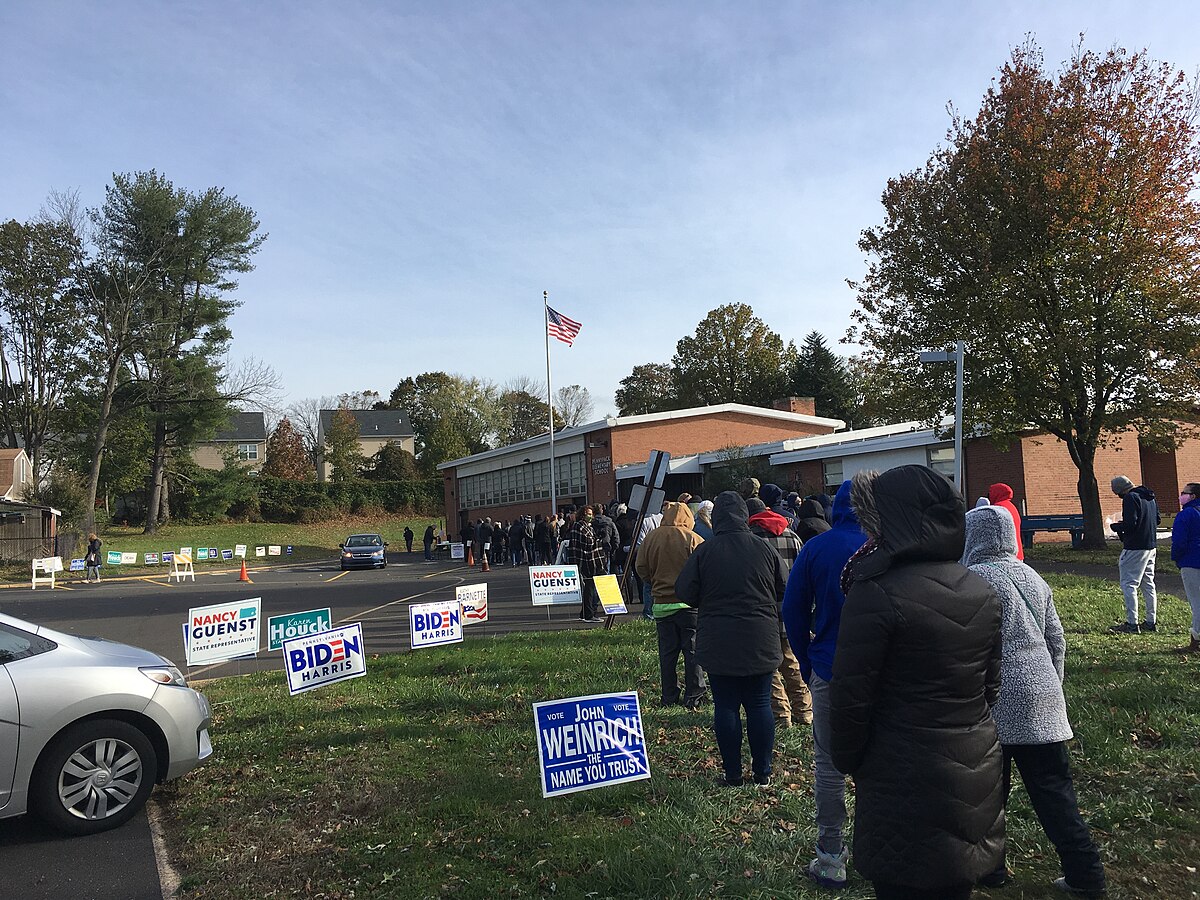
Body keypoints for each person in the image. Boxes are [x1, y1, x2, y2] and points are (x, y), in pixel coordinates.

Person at [831, 466, 1003, 900]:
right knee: (956, 883)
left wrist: (850, 760)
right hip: (974, 761)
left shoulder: (876, 592)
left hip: (900, 770)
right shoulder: (981, 589)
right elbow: (990, 686)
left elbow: (851, 696)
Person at [964, 505, 1107, 897]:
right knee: (1056, 795)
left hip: (993, 704)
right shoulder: (1033, 578)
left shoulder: (971, 581)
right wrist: (1052, 689)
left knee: (989, 796)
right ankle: (1086, 874)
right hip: (1044, 701)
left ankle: (991, 868)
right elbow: (1056, 639)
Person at [781, 480, 866, 889]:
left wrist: (804, 658)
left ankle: (831, 858)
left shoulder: (817, 547)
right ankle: (874, 847)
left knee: (830, 766)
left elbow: (793, 611)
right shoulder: (889, 544)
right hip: (882, 674)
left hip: (830, 667)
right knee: (879, 763)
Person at [675, 491, 788, 787]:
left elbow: (684, 592)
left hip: (718, 638)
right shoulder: (764, 548)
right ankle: (763, 772)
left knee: (726, 706)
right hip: (761, 637)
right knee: (760, 703)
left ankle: (733, 773)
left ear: (718, 519)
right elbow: (784, 587)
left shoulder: (705, 551)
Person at [748, 486, 812, 729]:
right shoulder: (792, 536)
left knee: (770, 668)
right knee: (792, 661)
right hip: (790, 610)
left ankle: (782, 716)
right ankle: (805, 711)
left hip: (762, 612)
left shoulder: (752, 540)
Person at [636, 502, 707, 708]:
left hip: (661, 605)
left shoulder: (651, 538)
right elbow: (703, 568)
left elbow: (641, 567)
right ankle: (694, 695)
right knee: (693, 652)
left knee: (667, 654)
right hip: (689, 606)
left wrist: (654, 582)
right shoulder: (693, 539)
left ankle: (669, 696)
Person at [1110, 475, 1160, 634]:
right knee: (1148, 584)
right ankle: (1151, 622)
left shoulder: (1130, 498)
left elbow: (1130, 524)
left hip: (1135, 547)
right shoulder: (1149, 496)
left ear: (1120, 491)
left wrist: (1117, 527)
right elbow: (1157, 520)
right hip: (1151, 546)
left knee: (1129, 584)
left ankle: (1132, 623)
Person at [1171, 482, 1200, 653]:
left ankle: (1196, 640)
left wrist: (1176, 558)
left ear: (1193, 496)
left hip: (1191, 562)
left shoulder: (1185, 515)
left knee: (1196, 602)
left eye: (1184, 492)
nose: (1181, 495)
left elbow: (1179, 542)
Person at [567, 506, 605, 622]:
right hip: (586, 561)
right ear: (583, 514)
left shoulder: (589, 527)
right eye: (589, 514)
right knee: (589, 588)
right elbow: (587, 542)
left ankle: (584, 613)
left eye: (591, 514)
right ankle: (589, 614)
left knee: (590, 587)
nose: (591, 516)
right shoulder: (579, 526)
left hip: (592, 560)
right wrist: (598, 540)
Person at [987, 482, 1025, 559]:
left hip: (1007, 553)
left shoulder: (998, 508)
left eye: (990, 493)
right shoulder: (1011, 506)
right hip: (1017, 551)